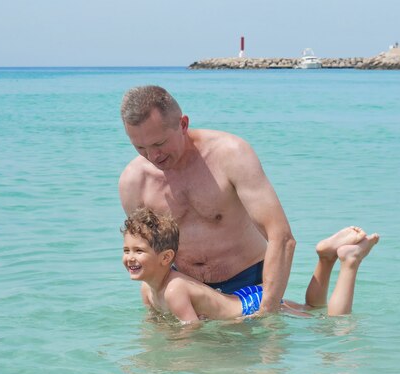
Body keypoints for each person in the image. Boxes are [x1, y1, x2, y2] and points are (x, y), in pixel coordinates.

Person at [118, 85, 295, 315]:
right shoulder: (133, 182)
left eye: (159, 144)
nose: (153, 157)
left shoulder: (231, 155)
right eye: (140, 147)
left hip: (250, 285)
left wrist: (267, 313)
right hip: (188, 295)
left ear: (183, 124)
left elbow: (281, 237)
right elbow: (148, 254)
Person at [122, 208, 379, 324]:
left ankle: (349, 262)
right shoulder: (147, 289)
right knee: (313, 310)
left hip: (249, 306)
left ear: (166, 258)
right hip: (242, 298)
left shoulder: (173, 289)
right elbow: (155, 322)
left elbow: (192, 333)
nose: (130, 258)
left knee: (329, 325)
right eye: (126, 250)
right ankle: (326, 258)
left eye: (138, 251)